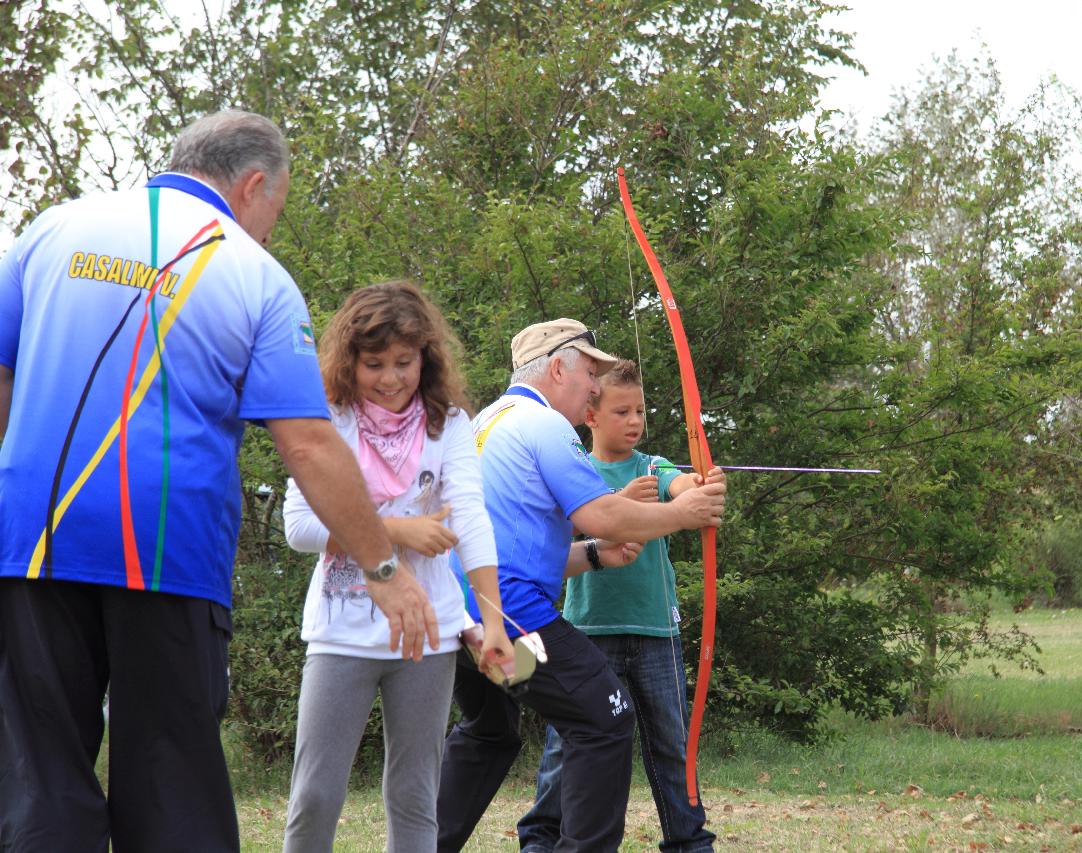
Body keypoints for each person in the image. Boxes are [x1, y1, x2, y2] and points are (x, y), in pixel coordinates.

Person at [0, 110, 432, 852]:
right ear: (255, 184)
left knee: (38, 782)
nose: (271, 227)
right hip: (165, 549)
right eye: (278, 210)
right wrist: (384, 566)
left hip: (28, 542)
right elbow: (308, 442)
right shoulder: (251, 270)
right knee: (171, 784)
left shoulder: (51, 228)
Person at [436, 319, 727, 853]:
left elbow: (521, 547)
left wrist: (595, 557)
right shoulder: (542, 424)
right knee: (606, 713)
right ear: (556, 368)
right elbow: (601, 514)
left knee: (491, 731)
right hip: (510, 619)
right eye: (589, 371)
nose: (595, 386)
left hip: (462, 623)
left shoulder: (487, 421)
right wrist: (683, 512)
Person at [280, 280, 514, 851]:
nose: (391, 378)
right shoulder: (328, 420)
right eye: (375, 363)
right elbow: (299, 527)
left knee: (415, 799)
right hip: (341, 633)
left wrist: (496, 623)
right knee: (315, 796)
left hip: (428, 636)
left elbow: (473, 523)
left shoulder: (450, 423)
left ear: (425, 358)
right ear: (349, 362)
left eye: (404, 362)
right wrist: (400, 529)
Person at [518, 358, 719, 853]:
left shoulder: (653, 468)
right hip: (589, 631)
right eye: (622, 411)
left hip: (656, 633)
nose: (634, 421)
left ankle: (690, 842)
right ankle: (542, 840)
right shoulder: (576, 469)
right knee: (568, 745)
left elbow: (682, 487)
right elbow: (574, 525)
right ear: (591, 415)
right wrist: (620, 500)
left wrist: (703, 483)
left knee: (672, 746)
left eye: (640, 411)